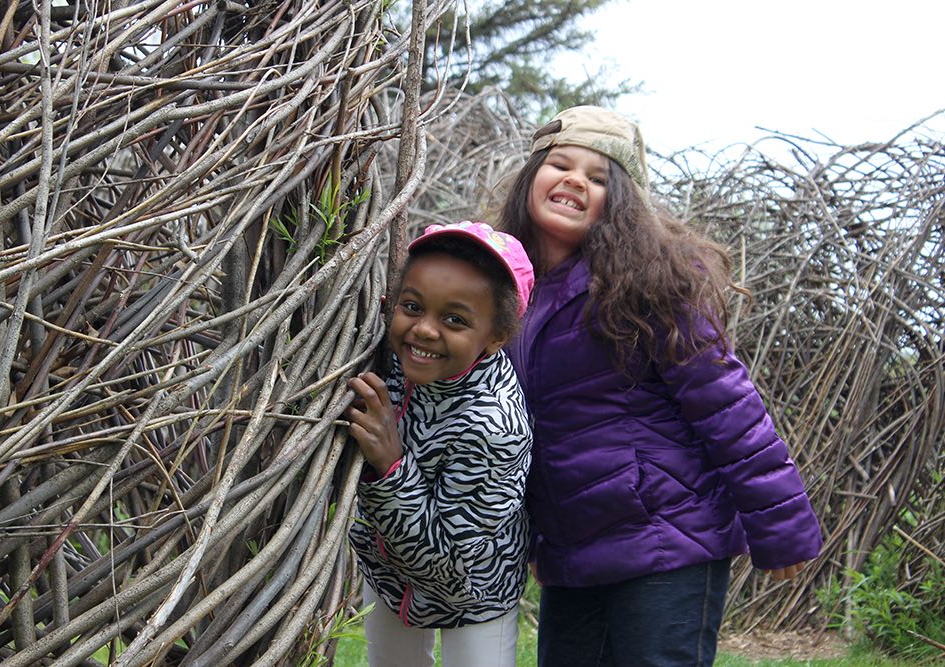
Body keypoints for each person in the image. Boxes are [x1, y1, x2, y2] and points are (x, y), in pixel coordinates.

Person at [497, 106, 824, 666]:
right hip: (574, 553)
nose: (576, 180)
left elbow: (729, 409)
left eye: (599, 178)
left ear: (619, 203)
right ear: (533, 177)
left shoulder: (649, 286)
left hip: (667, 537)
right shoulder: (505, 290)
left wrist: (780, 525)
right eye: (561, 164)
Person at [346, 221, 536, 667]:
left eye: (455, 319)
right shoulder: (390, 358)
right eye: (412, 306)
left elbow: (449, 563)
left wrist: (391, 467)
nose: (425, 330)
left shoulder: (495, 424)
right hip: (389, 575)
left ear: (495, 338)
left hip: (475, 591)